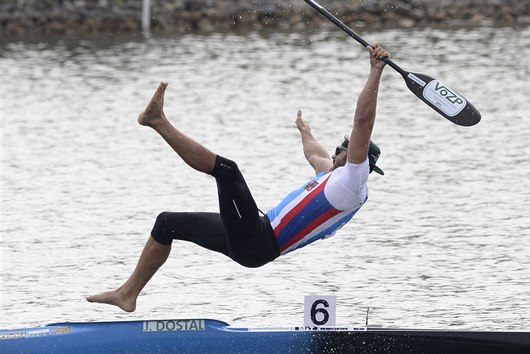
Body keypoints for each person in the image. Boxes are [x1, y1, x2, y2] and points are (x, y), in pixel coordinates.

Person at [86, 43, 390, 312]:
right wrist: (304, 130)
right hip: (253, 237)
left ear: (355, 157)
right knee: (167, 223)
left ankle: (156, 121)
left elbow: (362, 120)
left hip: (260, 241)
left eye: (342, 148)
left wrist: (375, 71)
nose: (335, 152)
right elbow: (315, 154)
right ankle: (128, 294)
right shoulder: (333, 178)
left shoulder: (352, 182)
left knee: (227, 170)